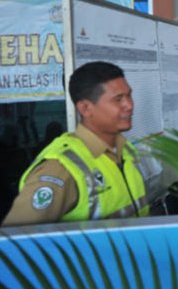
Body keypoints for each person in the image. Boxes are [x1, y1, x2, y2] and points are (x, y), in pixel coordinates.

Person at [3, 61, 149, 226]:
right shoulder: (60, 168)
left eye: (129, 95)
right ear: (85, 108)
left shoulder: (126, 150)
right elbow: (16, 243)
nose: (129, 105)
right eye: (118, 99)